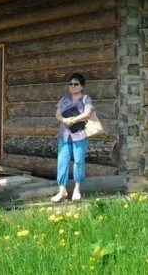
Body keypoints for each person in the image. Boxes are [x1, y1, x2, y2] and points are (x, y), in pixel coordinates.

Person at [52, 73, 94, 202]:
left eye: (76, 84)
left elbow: (88, 113)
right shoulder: (64, 99)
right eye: (70, 84)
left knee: (78, 162)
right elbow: (57, 115)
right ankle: (62, 190)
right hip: (64, 135)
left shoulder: (86, 99)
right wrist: (64, 119)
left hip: (79, 135)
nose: (73, 86)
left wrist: (73, 119)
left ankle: (77, 189)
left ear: (82, 86)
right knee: (62, 161)